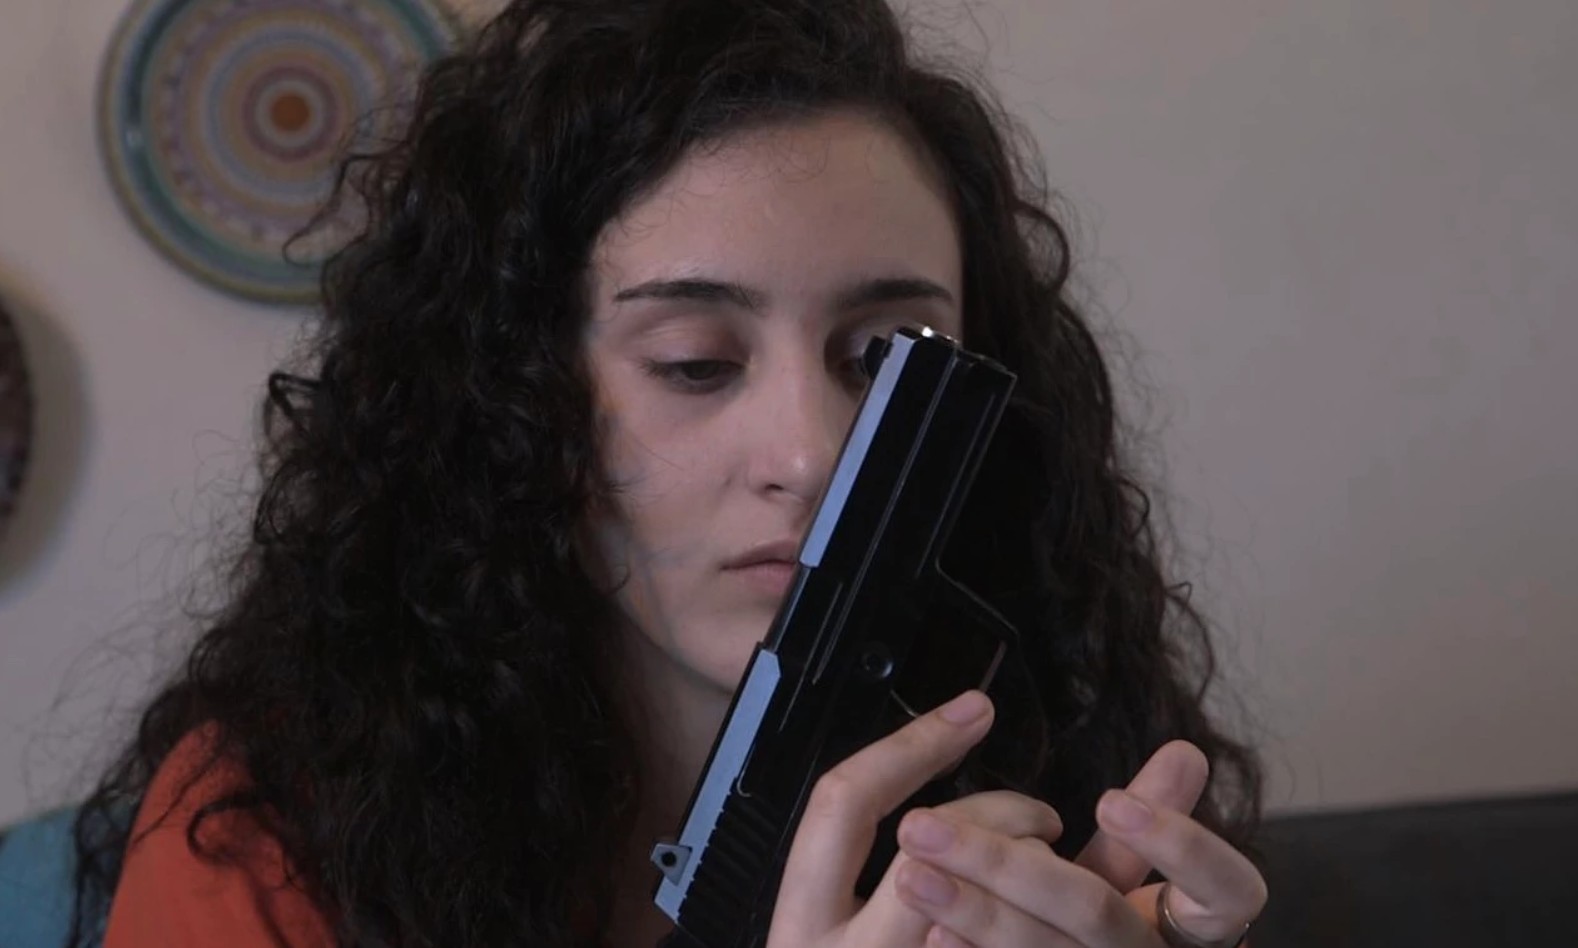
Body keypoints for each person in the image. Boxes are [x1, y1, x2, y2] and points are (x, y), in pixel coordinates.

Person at [67, 0, 1268, 946]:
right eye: (695, 363)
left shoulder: (1072, 756)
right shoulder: (270, 829)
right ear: (517, 398)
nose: (811, 456)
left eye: (883, 359)